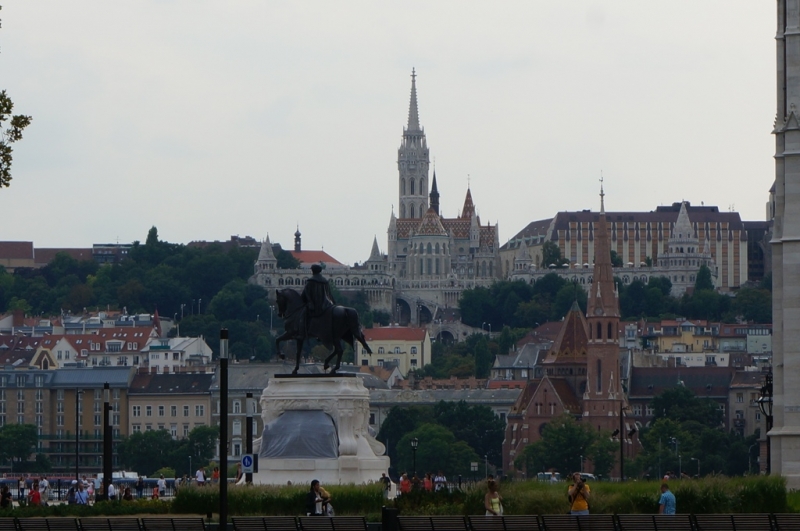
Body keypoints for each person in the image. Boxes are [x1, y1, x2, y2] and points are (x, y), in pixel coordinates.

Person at [301, 264, 336, 338]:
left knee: (303, 314)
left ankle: (305, 331)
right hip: (326, 305)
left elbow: (305, 294)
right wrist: (334, 303)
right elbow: (329, 294)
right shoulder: (325, 281)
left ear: (313, 271)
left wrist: (309, 302)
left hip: (314, 306)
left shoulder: (310, 281)